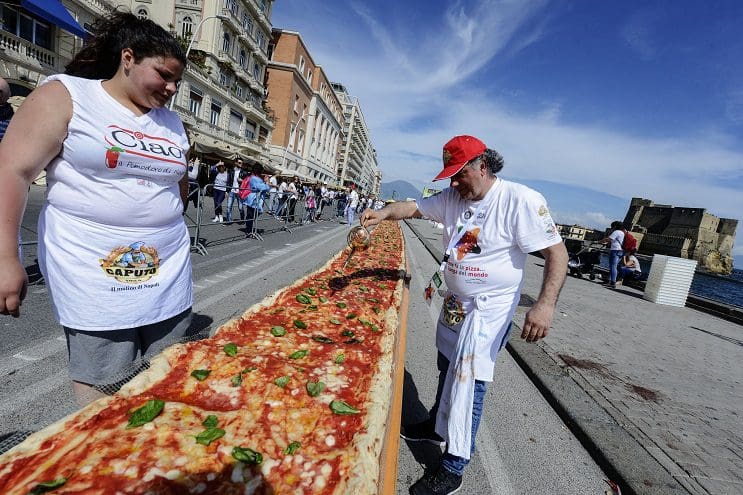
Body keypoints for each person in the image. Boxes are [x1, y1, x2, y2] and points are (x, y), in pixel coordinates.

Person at [0, 11, 193, 406]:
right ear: (128, 58)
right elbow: (13, 172)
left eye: (178, 80)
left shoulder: (172, 122)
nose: (172, 87)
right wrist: (6, 256)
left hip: (168, 271)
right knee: (106, 395)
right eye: (163, 74)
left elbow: (179, 185)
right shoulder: (66, 95)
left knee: (173, 381)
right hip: (92, 269)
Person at [360, 135, 568, 495]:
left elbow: (558, 254)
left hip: (490, 309)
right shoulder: (455, 197)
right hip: (456, 302)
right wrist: (382, 213)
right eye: (450, 177)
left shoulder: (520, 200)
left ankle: (454, 466)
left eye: (460, 175)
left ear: (482, 167)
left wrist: (545, 304)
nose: (454, 184)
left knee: (469, 382)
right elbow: (413, 207)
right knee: (445, 365)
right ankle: (438, 425)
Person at [241, 164, 269, 234]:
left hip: (253, 199)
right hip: (254, 199)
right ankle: (249, 230)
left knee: (251, 214)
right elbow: (262, 188)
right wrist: (267, 182)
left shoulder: (253, 177)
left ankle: (249, 229)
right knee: (252, 215)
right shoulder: (255, 178)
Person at [601, 220, 625, 288]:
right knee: (614, 266)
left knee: (612, 266)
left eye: (612, 226)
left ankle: (612, 283)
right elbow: (613, 240)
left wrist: (599, 241)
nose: (611, 228)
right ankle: (609, 281)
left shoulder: (616, 232)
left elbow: (608, 239)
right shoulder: (622, 233)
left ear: (615, 226)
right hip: (620, 251)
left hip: (615, 250)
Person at [224, 158, 245, 223]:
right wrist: (227, 191)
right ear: (235, 163)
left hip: (239, 191)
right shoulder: (231, 171)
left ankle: (242, 220)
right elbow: (228, 181)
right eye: (239, 163)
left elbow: (247, 182)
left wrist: (242, 181)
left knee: (240, 207)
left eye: (241, 163)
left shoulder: (244, 172)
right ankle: (228, 221)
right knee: (229, 206)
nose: (241, 164)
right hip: (231, 191)